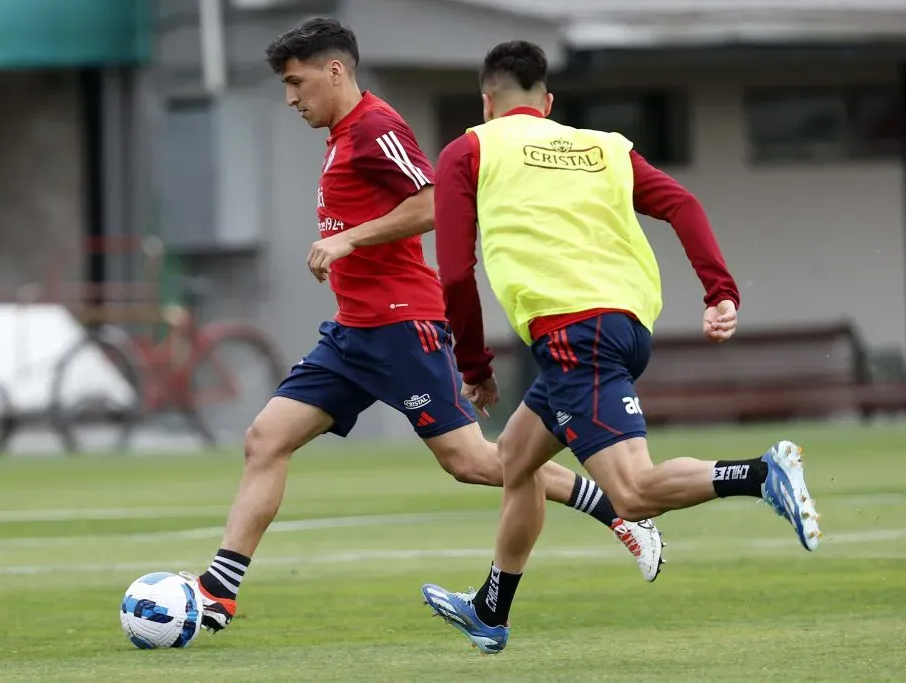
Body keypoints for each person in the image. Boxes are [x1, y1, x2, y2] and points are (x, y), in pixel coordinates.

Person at [180, 20, 666, 634]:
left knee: (476, 463)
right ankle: (220, 592)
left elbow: (434, 203)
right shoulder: (339, 136)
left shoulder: (377, 127)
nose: (290, 98)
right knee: (264, 439)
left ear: (336, 71)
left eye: (296, 82)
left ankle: (620, 510)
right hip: (352, 334)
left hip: (402, 327)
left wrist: (349, 239)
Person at [421, 40, 822, 655]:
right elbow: (681, 205)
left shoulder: (470, 149)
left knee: (632, 493)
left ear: (486, 102)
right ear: (549, 104)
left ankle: (764, 473)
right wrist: (720, 291)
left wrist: (474, 366)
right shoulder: (603, 146)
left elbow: (453, 274)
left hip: (574, 335)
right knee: (515, 461)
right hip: (624, 327)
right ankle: (490, 609)